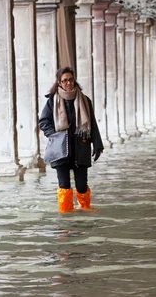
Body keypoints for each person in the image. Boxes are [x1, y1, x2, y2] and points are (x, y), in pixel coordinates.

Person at [39, 67, 104, 213]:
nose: (68, 83)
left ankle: (85, 209)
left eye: (70, 79)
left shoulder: (85, 100)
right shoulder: (52, 101)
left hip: (81, 147)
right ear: (59, 83)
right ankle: (66, 214)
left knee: (81, 185)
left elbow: (92, 123)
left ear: (74, 80)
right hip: (60, 149)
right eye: (64, 80)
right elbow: (43, 122)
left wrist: (98, 144)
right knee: (64, 185)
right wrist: (54, 135)